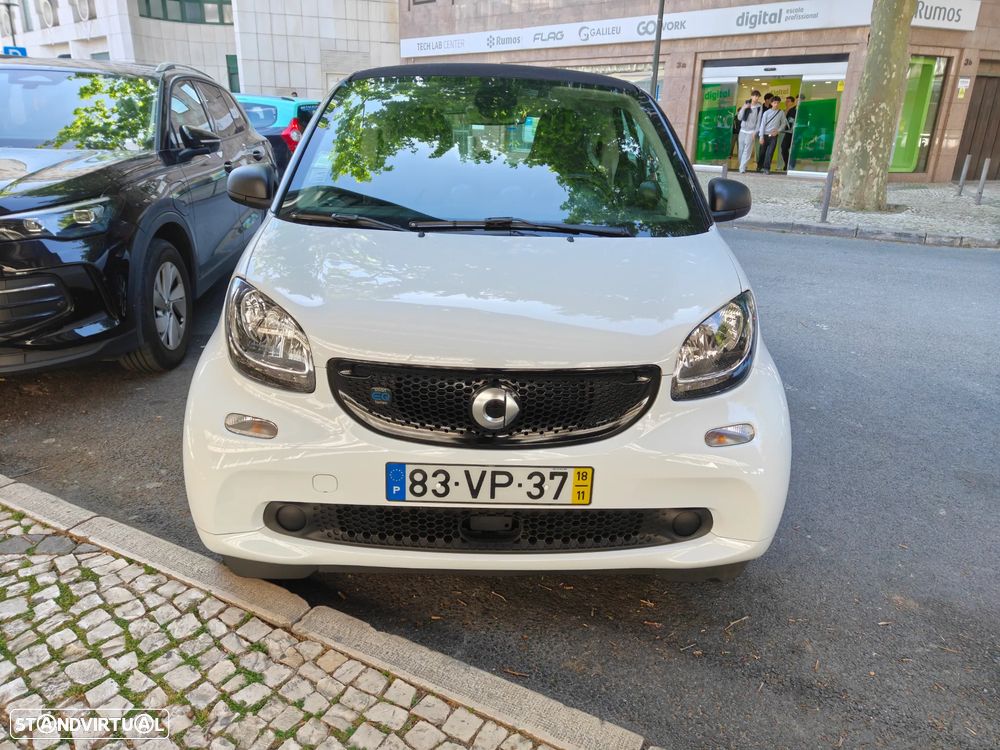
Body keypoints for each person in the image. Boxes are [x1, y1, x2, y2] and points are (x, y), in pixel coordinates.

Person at [757, 96, 788, 174]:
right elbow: (762, 125)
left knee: (770, 152)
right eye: (774, 103)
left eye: (778, 103)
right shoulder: (766, 112)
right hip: (764, 134)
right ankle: (759, 166)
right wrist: (761, 137)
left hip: (774, 136)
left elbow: (784, 123)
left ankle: (766, 168)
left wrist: (778, 131)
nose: (776, 104)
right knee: (762, 152)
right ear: (771, 103)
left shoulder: (781, 112)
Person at [735, 90, 763, 173]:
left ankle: (742, 168)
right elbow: (739, 117)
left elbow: (759, 120)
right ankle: (742, 164)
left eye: (758, 96)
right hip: (742, 130)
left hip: (751, 131)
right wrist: (744, 108)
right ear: (751, 96)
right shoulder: (746, 104)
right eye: (755, 96)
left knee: (747, 150)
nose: (756, 98)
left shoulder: (759, 107)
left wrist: (756, 131)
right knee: (741, 150)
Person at [781, 96, 797, 170]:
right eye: (786, 101)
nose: (786, 103)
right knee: (783, 147)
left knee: (794, 150)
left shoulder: (804, 110)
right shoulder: (791, 110)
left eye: (788, 101)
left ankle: (792, 166)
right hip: (789, 132)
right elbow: (785, 120)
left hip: (797, 133)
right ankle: (787, 163)